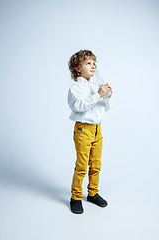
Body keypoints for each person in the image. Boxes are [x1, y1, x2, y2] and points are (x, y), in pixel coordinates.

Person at [68, 50, 113, 214]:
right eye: (88, 63)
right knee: (81, 166)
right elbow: (78, 106)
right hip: (83, 130)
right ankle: (76, 197)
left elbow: (106, 107)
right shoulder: (75, 88)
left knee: (96, 164)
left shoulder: (95, 87)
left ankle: (92, 193)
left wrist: (107, 96)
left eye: (94, 63)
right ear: (77, 68)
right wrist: (98, 95)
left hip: (96, 130)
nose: (93, 66)